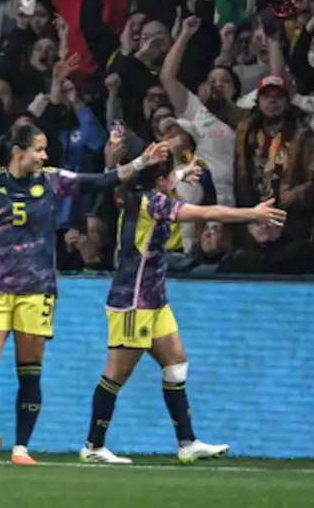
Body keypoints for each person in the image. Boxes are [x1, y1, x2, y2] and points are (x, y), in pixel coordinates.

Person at [0, 121, 168, 466]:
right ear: (19, 152)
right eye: (39, 149)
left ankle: (21, 447)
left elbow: (101, 180)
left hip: (36, 291)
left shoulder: (51, 180)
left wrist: (140, 164)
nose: (44, 156)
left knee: (29, 370)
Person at [79, 158, 285, 465]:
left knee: (176, 364)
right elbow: (206, 212)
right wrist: (251, 213)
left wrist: (182, 172)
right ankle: (93, 446)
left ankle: (187, 442)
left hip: (155, 300)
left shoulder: (138, 193)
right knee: (117, 373)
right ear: (160, 182)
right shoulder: (155, 203)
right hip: (134, 301)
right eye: (169, 179)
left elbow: (162, 179)